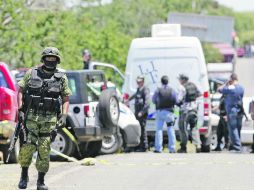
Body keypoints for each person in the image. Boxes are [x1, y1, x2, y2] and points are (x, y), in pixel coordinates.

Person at [17, 47, 72, 190]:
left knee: (44, 149)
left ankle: (40, 181)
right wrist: (20, 109)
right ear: (43, 59)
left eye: (54, 59)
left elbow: (66, 98)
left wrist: (64, 115)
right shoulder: (31, 73)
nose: (51, 61)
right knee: (27, 146)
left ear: (57, 60)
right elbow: (20, 91)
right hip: (31, 117)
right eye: (48, 58)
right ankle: (24, 176)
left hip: (49, 120)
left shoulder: (62, 78)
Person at [218, 73, 244, 152]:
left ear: (231, 80)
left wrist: (226, 83)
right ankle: (238, 145)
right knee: (238, 128)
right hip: (240, 110)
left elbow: (219, 89)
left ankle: (237, 146)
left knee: (233, 129)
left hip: (232, 111)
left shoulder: (230, 88)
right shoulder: (241, 88)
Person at [152, 75, 178, 153]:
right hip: (169, 112)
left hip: (160, 112)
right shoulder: (172, 90)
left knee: (159, 130)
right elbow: (175, 100)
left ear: (161, 81)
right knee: (170, 129)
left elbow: (153, 100)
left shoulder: (158, 90)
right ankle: (172, 148)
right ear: (168, 81)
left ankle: (158, 148)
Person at [177, 74, 202, 153]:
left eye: (180, 79)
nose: (179, 81)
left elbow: (179, 99)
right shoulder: (194, 85)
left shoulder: (182, 87)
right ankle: (198, 145)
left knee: (183, 129)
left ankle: (183, 147)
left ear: (183, 80)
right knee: (194, 127)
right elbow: (200, 94)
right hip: (194, 110)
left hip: (185, 111)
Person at [128, 75, 150, 152]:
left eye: (139, 82)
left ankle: (144, 147)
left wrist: (142, 112)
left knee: (142, 130)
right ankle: (138, 146)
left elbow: (147, 103)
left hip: (142, 113)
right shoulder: (138, 89)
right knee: (138, 129)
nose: (138, 83)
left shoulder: (145, 89)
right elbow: (134, 96)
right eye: (137, 82)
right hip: (137, 113)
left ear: (143, 82)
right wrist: (127, 100)